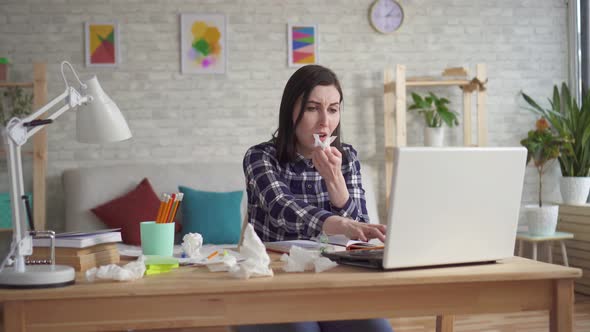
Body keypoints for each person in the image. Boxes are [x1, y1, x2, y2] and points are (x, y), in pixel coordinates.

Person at [238, 65, 392, 332]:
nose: (325, 121)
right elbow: (281, 208)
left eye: (333, 109)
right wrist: (339, 224)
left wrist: (335, 181)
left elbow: (359, 232)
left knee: (378, 328)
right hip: (273, 285)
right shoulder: (260, 157)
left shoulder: (348, 158)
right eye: (312, 108)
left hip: (331, 285)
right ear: (291, 112)